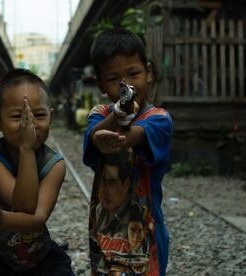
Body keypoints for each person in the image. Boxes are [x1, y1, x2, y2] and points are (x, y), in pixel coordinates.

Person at [0, 69, 74, 275]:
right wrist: (27, 149)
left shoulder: (54, 165)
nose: (28, 124)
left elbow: (35, 216)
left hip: (33, 251)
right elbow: (23, 204)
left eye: (38, 115)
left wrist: (4, 221)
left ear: (51, 117)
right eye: (17, 116)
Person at [83, 27, 173, 276]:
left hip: (146, 232)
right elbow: (93, 136)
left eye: (133, 73)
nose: (127, 86)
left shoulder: (158, 118)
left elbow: (133, 135)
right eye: (114, 80)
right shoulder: (99, 114)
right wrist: (113, 118)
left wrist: (116, 124)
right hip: (104, 231)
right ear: (100, 84)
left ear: (149, 72)